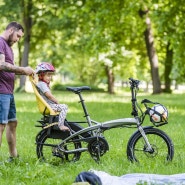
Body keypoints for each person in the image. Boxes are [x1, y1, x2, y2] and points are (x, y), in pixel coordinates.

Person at [0, 21, 35, 161]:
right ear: (11, 30)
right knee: (1, 125)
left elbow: (10, 69)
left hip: (9, 92)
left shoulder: (8, 47)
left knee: (12, 123)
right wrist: (22, 69)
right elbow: (1, 65)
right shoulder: (1, 42)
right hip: (1, 92)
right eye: (18, 36)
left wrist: (27, 72)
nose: (18, 39)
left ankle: (13, 156)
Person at [35, 62, 70, 131]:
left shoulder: (41, 84)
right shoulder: (42, 84)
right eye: (48, 75)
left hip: (49, 105)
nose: (50, 77)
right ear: (41, 75)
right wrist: (56, 101)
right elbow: (49, 95)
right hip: (48, 106)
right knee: (64, 107)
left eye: (51, 75)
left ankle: (60, 123)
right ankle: (61, 125)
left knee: (63, 107)